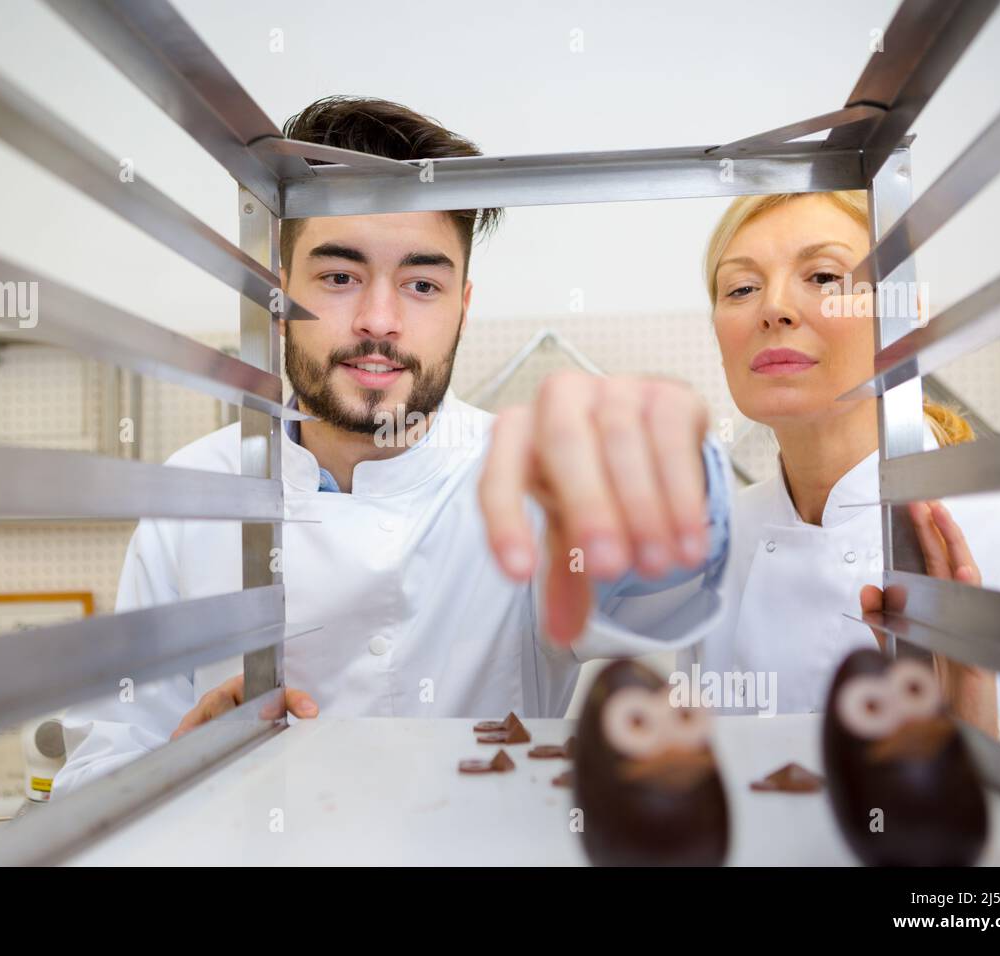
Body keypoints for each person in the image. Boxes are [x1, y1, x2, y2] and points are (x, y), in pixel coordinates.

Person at [55, 96, 735, 795]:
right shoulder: (196, 492)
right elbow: (98, 772)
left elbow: (661, 595)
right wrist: (182, 767)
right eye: (340, 277)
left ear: (463, 305)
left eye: (421, 284)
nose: (379, 322)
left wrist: (674, 471)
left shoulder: (531, 480)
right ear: (280, 294)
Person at [679, 189, 1000, 779]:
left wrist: (979, 742)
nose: (774, 308)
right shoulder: (718, 541)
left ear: (901, 319)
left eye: (822, 276)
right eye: (741, 288)